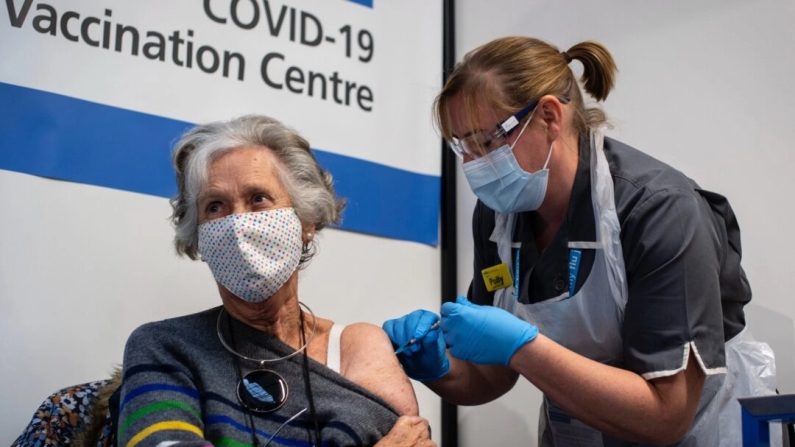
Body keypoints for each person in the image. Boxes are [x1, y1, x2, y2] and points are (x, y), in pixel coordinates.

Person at [384, 37, 777, 446]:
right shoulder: (498, 219)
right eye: (462, 145)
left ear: (550, 116)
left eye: (488, 141)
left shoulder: (658, 211)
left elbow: (667, 415)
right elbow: (493, 374)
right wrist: (439, 368)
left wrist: (522, 346)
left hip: (698, 433)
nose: (474, 164)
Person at [118, 115, 435, 447]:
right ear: (199, 238)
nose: (238, 223)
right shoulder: (165, 347)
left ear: (306, 221)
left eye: (258, 198)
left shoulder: (357, 348)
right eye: (215, 206)